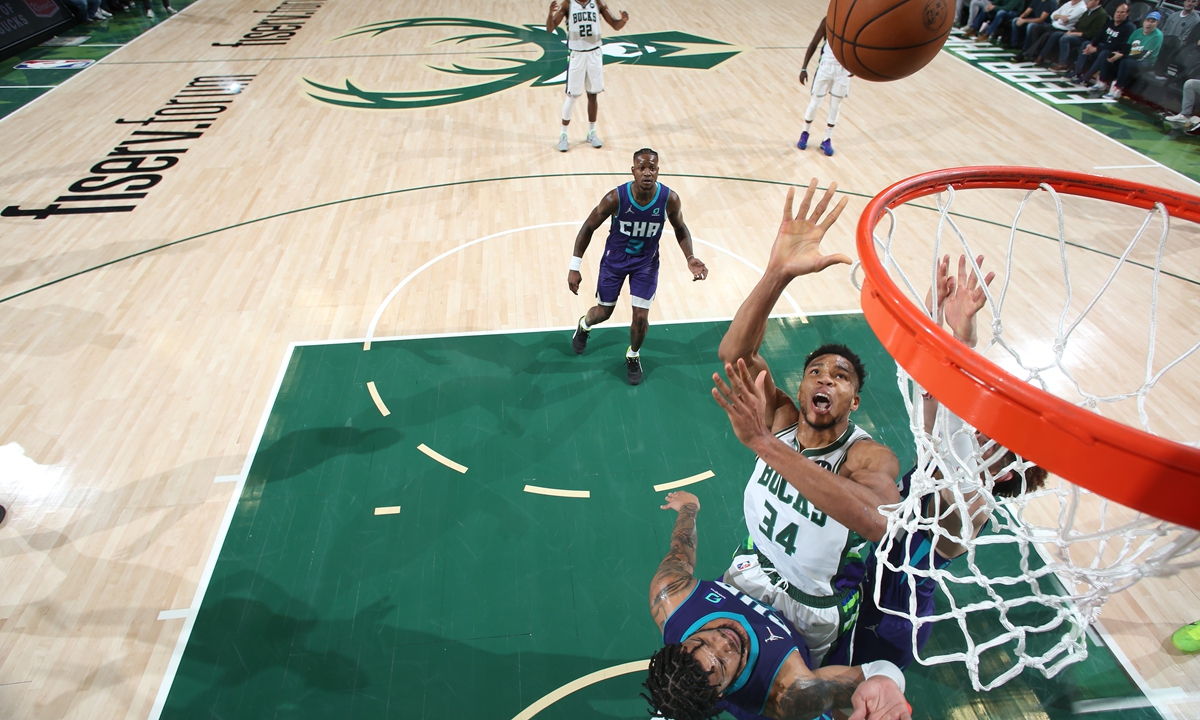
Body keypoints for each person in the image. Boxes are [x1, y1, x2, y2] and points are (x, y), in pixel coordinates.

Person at [710, 181, 901, 667]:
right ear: (798, 390)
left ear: (854, 401)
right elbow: (736, 355)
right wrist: (777, 273)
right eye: (815, 371)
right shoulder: (782, 420)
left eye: (840, 377)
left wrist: (764, 445)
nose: (826, 379)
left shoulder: (866, 456)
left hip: (813, 606)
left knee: (784, 695)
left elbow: (877, 520)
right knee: (711, 663)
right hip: (751, 568)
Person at [840, 254, 1047, 670]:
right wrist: (936, 331)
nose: (980, 429)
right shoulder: (943, 462)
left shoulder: (972, 505)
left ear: (1006, 470)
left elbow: (952, 442)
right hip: (869, 583)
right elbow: (930, 400)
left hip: (896, 620)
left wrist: (962, 345)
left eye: (995, 438)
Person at [644, 490, 912, 720]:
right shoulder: (788, 692)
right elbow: (870, 675)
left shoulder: (670, 596)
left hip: (756, 572)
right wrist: (886, 681)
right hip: (803, 638)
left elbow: (682, 546)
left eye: (704, 642)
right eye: (722, 663)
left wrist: (690, 507)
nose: (724, 643)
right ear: (720, 694)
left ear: (679, 643)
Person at [567, 148, 708, 385]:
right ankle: (584, 325)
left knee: (641, 317)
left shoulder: (669, 199)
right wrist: (574, 265)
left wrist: (690, 256)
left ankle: (633, 355)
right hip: (615, 261)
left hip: (646, 263)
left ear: (658, 171)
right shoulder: (615, 198)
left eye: (652, 168)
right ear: (633, 171)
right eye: (641, 168)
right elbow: (588, 227)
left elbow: (680, 228)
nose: (647, 173)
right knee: (603, 312)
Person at [545, 0, 628, 152]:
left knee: (593, 95)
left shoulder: (597, 3)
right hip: (577, 55)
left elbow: (615, 25)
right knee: (572, 96)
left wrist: (623, 21)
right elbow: (550, 28)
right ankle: (563, 134)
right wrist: (550, 16)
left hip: (594, 53)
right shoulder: (567, 4)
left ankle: (592, 132)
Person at [798, 20, 851, 157]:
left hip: (844, 69)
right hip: (825, 67)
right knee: (815, 103)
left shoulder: (856, 21)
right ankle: (805, 133)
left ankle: (827, 139)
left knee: (835, 106)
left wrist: (858, 69)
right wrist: (804, 68)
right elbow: (814, 43)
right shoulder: (829, 20)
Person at [1091, 10, 1163, 99]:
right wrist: (1119, 54)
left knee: (1125, 62)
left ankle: (1118, 88)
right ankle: (1102, 81)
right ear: (1144, 21)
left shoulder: (1158, 36)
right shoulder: (1137, 32)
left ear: (1157, 23)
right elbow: (1127, 47)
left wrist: (1121, 55)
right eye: (1148, 20)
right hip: (1131, 56)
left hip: (1146, 61)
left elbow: (1143, 55)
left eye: (1153, 22)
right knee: (1110, 54)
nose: (1149, 24)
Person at [1069, 3, 1134, 86]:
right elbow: (1100, 34)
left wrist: (1097, 49)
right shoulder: (1111, 22)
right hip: (1106, 47)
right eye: (1117, 12)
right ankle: (1077, 72)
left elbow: (1118, 45)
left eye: (1122, 12)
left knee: (1105, 52)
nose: (1119, 14)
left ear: (1127, 14)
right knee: (1086, 44)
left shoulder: (1129, 28)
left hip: (1117, 52)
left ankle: (1086, 78)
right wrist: (1092, 44)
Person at [1042, 0, 1108, 70]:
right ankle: (1041, 57)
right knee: (1055, 35)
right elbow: (1077, 24)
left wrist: (1073, 34)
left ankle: (1062, 64)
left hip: (1086, 38)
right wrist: (1071, 29)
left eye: (1089, 1)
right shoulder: (1087, 12)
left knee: (1065, 39)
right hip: (1077, 34)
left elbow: (1092, 34)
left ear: (1097, 2)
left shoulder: (1101, 14)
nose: (1087, 2)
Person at [1019, 0, 1088, 62]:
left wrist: (1058, 17)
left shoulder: (1081, 8)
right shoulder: (1068, 3)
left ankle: (1027, 54)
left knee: (1046, 35)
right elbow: (1052, 15)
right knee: (1034, 28)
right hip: (1054, 25)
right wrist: (1060, 16)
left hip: (1064, 29)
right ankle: (1033, 52)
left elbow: (1064, 21)